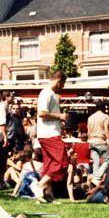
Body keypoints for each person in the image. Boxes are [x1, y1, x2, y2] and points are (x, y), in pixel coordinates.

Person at [33, 71, 68, 202]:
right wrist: (60, 116)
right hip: (49, 134)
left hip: (48, 133)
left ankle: (47, 194)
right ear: (58, 81)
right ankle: (40, 185)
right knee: (62, 161)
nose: (63, 87)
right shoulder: (46, 93)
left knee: (49, 164)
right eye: (63, 83)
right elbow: (41, 113)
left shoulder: (51, 94)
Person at [86, 100, 109, 179]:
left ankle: (95, 177)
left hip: (91, 141)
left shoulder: (90, 118)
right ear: (103, 108)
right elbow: (106, 130)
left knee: (96, 161)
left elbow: (89, 132)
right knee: (107, 160)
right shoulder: (105, 117)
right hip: (101, 141)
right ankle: (98, 176)